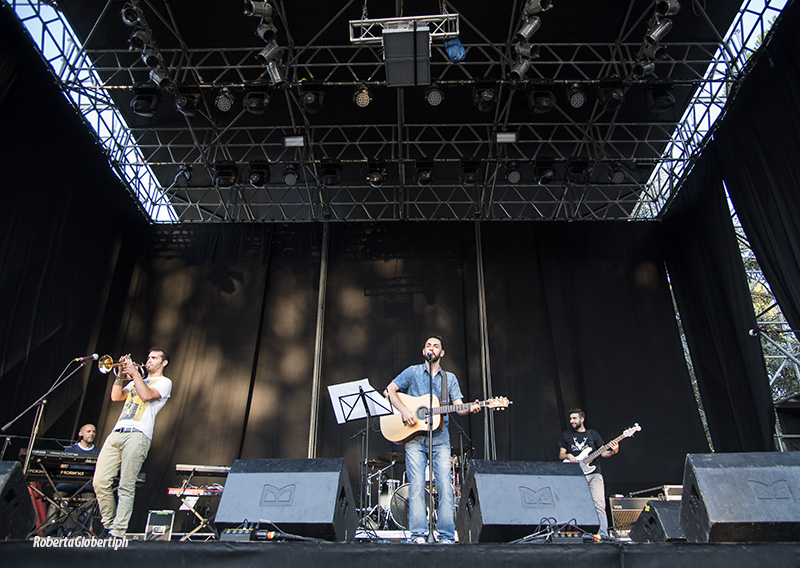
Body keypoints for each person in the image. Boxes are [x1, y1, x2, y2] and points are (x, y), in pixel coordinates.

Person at [385, 336, 480, 544]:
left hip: (440, 439)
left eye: (436, 346)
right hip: (414, 438)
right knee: (417, 485)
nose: (432, 348)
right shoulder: (412, 372)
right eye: (428, 345)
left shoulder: (449, 379)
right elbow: (389, 390)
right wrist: (404, 412)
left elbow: (459, 406)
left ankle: (446, 535)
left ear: (442, 353)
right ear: (423, 351)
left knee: (445, 486)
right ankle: (418, 535)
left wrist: (471, 407)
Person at [93, 348, 172, 538]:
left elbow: (146, 396)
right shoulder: (140, 380)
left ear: (164, 363)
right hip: (117, 432)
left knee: (126, 485)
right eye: (148, 357)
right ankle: (109, 524)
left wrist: (135, 373)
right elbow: (116, 396)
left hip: (138, 434)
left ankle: (117, 532)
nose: (149, 361)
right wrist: (120, 375)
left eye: (154, 358)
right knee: (100, 482)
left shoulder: (164, 382)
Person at [557, 408, 619, 538]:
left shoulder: (593, 435)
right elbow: (561, 455)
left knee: (599, 504)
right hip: (576, 476)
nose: (571, 421)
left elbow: (603, 453)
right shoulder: (566, 436)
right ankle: (577, 535)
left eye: (574, 418)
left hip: (594, 474)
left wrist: (614, 451)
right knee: (576, 504)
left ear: (582, 419)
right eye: (570, 419)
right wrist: (569, 455)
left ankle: (603, 535)